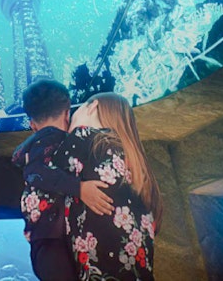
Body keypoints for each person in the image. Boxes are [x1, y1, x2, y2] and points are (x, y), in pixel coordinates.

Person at [13, 79, 115, 281]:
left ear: (32, 124)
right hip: (51, 239)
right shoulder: (50, 138)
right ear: (68, 114)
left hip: (47, 240)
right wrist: (79, 188)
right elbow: (35, 170)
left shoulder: (39, 144)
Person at [55, 92, 163, 281]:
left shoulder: (84, 137)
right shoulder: (136, 165)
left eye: (74, 111)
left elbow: (46, 173)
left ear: (92, 107)